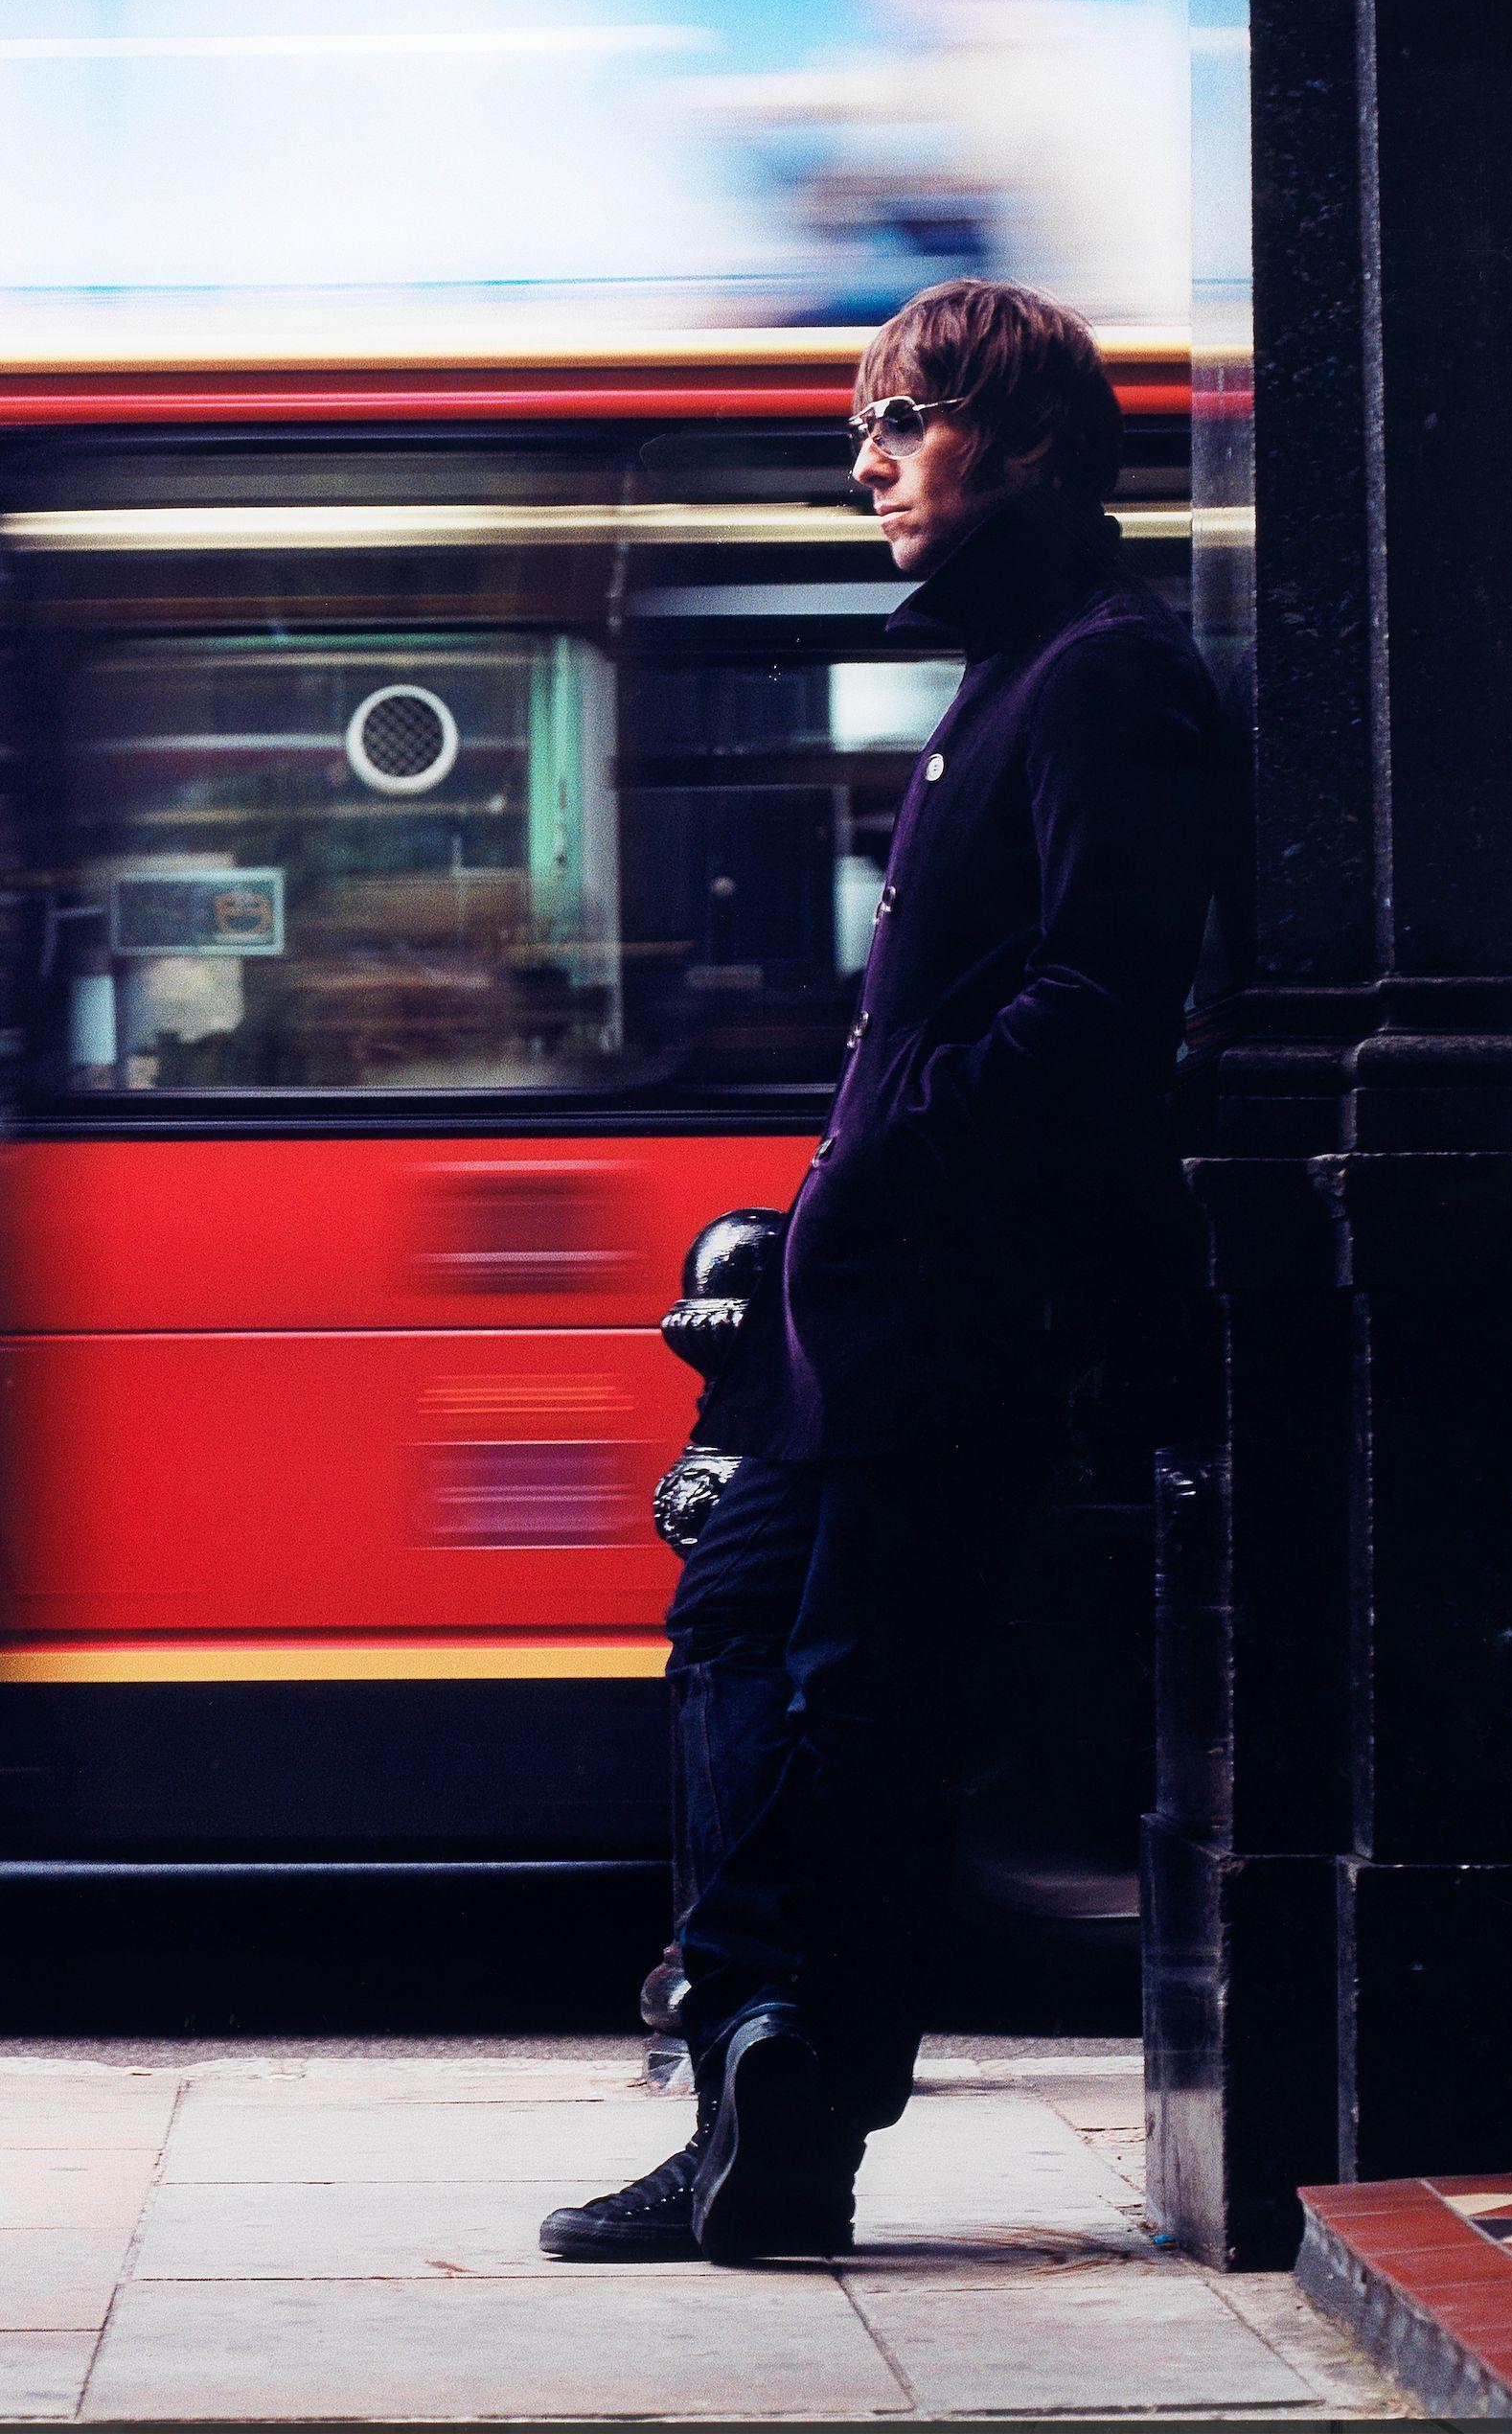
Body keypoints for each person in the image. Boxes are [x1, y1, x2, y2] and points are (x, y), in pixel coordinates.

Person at [540, 278, 1225, 2263]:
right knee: (738, 1632)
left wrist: (888, 1171)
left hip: (962, 1306)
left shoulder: (1104, 675)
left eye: (898, 428)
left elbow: (1102, 1008)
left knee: (862, 1709)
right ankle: (746, 2034)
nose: (865, 471)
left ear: (1016, 443)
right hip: (859, 1298)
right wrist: (806, 1218)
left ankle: (793, 2126)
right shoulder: (1010, 674)